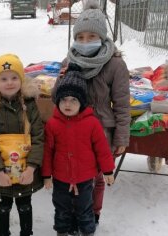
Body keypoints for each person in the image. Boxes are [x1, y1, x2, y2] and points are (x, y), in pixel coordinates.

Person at [51, 0, 131, 225]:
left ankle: (92, 215)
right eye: (80, 37)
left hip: (102, 131)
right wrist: (60, 79)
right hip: (72, 131)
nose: (85, 42)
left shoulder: (115, 65)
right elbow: (56, 98)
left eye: (91, 37)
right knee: (73, 174)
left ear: (103, 37)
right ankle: (73, 215)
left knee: (96, 178)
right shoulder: (69, 60)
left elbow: (123, 105)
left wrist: (121, 137)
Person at [43, 64, 116, 236]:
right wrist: (47, 175)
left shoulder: (91, 123)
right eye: (63, 99)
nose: (68, 104)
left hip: (84, 179)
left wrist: (107, 170)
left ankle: (87, 232)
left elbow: (102, 148)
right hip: (61, 178)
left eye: (73, 100)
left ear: (82, 102)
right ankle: (62, 231)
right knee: (61, 209)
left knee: (85, 209)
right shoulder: (53, 124)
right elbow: (48, 151)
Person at [0, 53, 44, 236]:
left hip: (25, 170)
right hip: (2, 172)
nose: (9, 82)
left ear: (21, 80)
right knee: (4, 206)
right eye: (4, 78)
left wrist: (31, 168)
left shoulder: (30, 106)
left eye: (14, 77)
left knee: (25, 205)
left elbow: (38, 137)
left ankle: (26, 233)